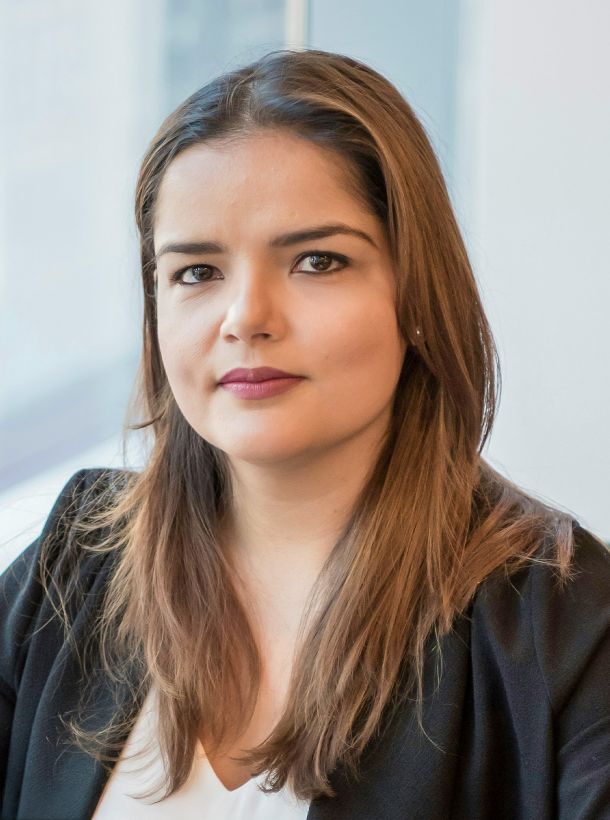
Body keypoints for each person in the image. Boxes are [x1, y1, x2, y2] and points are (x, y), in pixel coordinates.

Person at [1, 47, 609, 820]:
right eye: (197, 272)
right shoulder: (78, 560)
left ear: (416, 293)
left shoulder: (560, 617)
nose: (245, 318)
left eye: (317, 261)